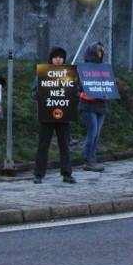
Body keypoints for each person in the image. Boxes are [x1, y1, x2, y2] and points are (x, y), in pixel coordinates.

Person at [31, 46, 76, 184]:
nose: (58, 59)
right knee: (43, 145)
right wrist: (37, 95)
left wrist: (76, 96)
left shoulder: (69, 73)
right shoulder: (43, 73)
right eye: (55, 56)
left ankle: (67, 173)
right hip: (47, 115)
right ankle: (38, 174)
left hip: (64, 116)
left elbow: (76, 91)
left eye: (60, 57)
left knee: (65, 145)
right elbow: (32, 92)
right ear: (51, 58)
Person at [79, 41, 108, 172]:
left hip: (101, 105)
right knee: (92, 133)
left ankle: (93, 158)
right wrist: (83, 95)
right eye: (97, 51)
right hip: (89, 104)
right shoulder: (84, 69)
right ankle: (88, 160)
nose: (99, 54)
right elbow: (78, 88)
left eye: (101, 51)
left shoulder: (104, 68)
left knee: (97, 134)